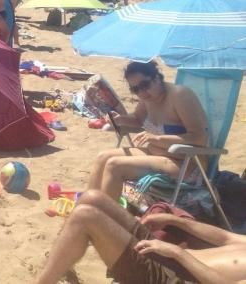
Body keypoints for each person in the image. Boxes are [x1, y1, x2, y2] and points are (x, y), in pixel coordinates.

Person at [34, 188, 246, 284]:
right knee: (93, 197)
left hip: (172, 277)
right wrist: (176, 221)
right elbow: (225, 239)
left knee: (85, 217)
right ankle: (61, 264)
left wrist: (179, 254)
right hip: (171, 257)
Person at [86, 60, 207, 202]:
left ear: (156, 77)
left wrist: (156, 139)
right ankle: (88, 207)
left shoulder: (180, 95)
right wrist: (120, 119)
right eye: (135, 89)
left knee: (114, 166)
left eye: (144, 85)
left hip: (185, 164)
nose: (142, 92)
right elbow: (137, 119)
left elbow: (199, 138)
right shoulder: (148, 98)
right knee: (102, 157)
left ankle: (106, 219)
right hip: (156, 154)